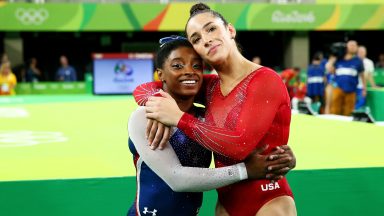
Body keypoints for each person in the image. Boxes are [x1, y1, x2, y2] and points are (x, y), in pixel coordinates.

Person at [134, 3, 297, 216]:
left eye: (211, 29)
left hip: (268, 201)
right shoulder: (211, 87)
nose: (206, 39)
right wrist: (157, 102)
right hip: (226, 205)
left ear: (230, 30)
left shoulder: (265, 80)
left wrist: (177, 117)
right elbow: (145, 88)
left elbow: (240, 145)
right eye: (196, 39)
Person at [326, 40, 365, 116]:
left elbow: (362, 75)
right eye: (351, 45)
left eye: (355, 45)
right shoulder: (338, 59)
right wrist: (332, 59)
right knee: (335, 111)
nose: (353, 47)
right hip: (338, 89)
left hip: (351, 91)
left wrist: (364, 88)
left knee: (348, 113)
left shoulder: (358, 61)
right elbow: (329, 69)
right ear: (346, 47)